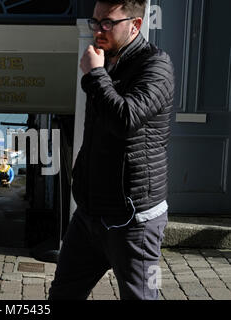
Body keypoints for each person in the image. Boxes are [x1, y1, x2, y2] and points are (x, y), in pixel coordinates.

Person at [49, 0, 175, 300]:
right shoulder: (105, 60)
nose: (98, 30)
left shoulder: (156, 65)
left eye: (107, 23)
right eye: (95, 21)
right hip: (89, 214)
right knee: (62, 295)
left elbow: (126, 119)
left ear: (135, 25)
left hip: (134, 221)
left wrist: (94, 76)